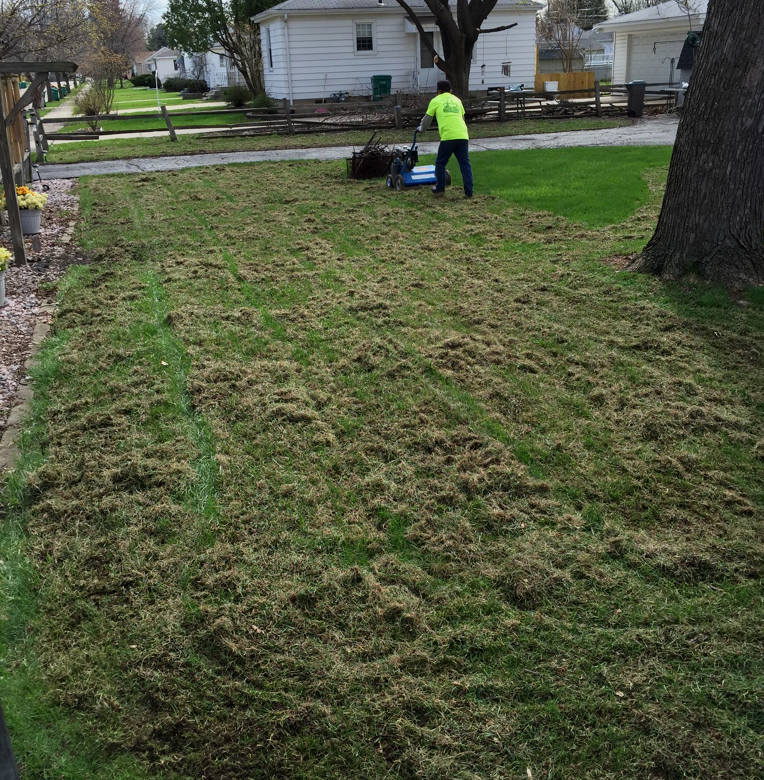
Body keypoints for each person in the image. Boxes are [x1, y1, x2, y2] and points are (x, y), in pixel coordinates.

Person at [417, 77, 473, 198]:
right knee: (465, 164)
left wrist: (421, 129)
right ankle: (469, 192)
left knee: (440, 163)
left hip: (448, 136)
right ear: (450, 90)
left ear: (438, 90)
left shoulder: (436, 100)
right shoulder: (458, 100)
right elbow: (462, 119)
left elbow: (427, 119)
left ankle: (440, 189)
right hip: (463, 135)